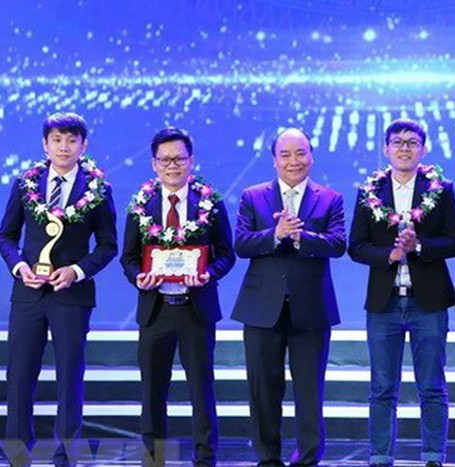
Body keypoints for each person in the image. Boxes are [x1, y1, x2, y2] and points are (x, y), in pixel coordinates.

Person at [0, 112, 118, 466]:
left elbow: (108, 245)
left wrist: (77, 271)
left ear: (83, 145)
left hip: (72, 296)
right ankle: (17, 451)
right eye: (56, 140)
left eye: (71, 140)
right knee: (19, 374)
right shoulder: (25, 184)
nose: (63, 147)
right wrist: (19, 267)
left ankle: (66, 455)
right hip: (29, 294)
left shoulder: (98, 189)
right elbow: (6, 236)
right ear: (45, 144)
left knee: (70, 375)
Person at [120, 127, 235, 466]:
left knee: (201, 391)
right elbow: (128, 257)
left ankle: (205, 459)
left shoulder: (210, 202)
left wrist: (208, 274)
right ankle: (154, 459)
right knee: (152, 393)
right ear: (154, 164)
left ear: (191, 161)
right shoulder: (141, 205)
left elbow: (226, 254)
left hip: (195, 310)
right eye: (165, 160)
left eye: (179, 159)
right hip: (156, 310)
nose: (172, 166)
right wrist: (138, 277)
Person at [348, 118, 455, 467]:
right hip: (384, 303)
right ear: (386, 149)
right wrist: (391, 255)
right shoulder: (369, 191)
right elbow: (356, 246)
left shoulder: (441, 189)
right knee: (382, 386)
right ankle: (380, 455)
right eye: (397, 142)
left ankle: (433, 455)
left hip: (429, 302)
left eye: (412, 142)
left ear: (424, 150)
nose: (404, 148)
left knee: (432, 384)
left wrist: (419, 246)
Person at [232, 127, 345, 466]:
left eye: (300, 153)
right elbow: (241, 244)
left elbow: (338, 244)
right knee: (263, 390)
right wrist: (275, 233)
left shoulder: (330, 198)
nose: (293, 161)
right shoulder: (253, 196)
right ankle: (268, 457)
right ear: (274, 160)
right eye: (285, 154)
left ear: (311, 156)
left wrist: (300, 237)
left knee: (309, 390)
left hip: (311, 308)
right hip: (261, 309)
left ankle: (308, 458)